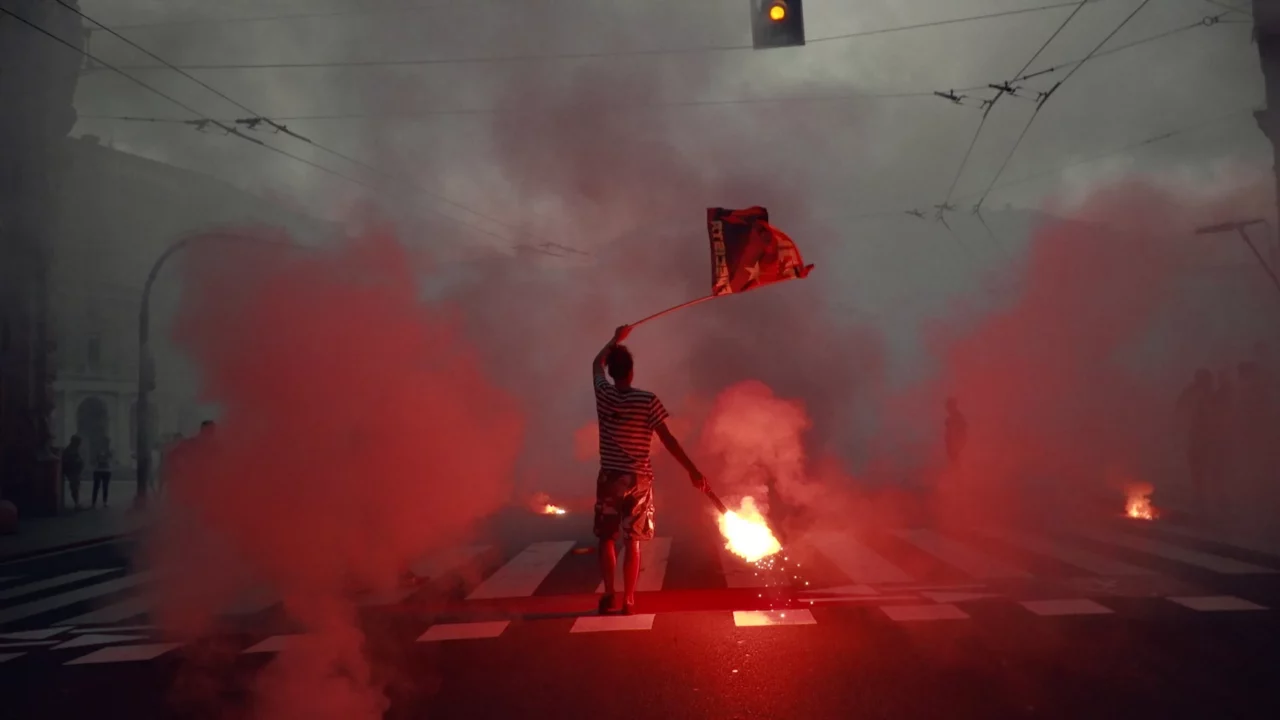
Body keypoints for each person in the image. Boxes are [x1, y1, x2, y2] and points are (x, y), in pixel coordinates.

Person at [592, 325, 708, 615]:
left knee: (607, 538)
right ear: (631, 372)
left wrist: (615, 339)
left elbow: (596, 364)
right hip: (639, 480)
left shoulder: (603, 393)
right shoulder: (647, 401)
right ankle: (629, 600)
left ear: (614, 372)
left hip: (609, 478)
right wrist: (692, 471)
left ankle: (609, 595)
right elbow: (668, 440)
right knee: (634, 541)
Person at [61, 435, 84, 511]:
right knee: (74, 488)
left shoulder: (73, 449)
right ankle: (76, 504)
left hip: (74, 472)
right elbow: (68, 462)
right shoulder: (70, 450)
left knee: (75, 487)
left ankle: (77, 503)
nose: (80, 444)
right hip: (72, 472)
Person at [944, 397, 967, 467]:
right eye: (947, 406)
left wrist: (957, 444)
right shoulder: (951, 417)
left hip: (955, 445)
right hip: (952, 445)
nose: (947, 408)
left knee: (956, 462)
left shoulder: (958, 417)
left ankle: (959, 474)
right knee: (954, 462)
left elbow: (962, 430)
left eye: (949, 406)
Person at [91, 439, 114, 508]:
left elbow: (110, 458)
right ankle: (96, 502)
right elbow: (94, 459)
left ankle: (103, 501)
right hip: (100, 470)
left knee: (104, 487)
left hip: (105, 470)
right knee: (97, 487)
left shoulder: (109, 451)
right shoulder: (98, 450)